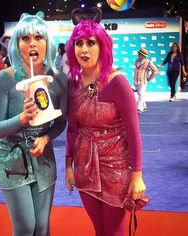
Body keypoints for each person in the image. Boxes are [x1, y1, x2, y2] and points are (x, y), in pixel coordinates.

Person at [65, 8, 146, 236]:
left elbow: (134, 133)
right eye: (79, 43)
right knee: (99, 230)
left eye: (91, 43)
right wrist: (68, 166)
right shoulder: (73, 83)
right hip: (84, 168)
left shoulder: (117, 83)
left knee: (114, 232)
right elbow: (72, 128)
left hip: (117, 169)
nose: (84, 49)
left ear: (102, 46)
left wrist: (137, 175)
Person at [0, 12, 67, 236]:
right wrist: (21, 118)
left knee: (42, 228)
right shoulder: (4, 79)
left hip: (43, 158)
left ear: (47, 42)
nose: (32, 42)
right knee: (25, 228)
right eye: (25, 38)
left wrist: (45, 138)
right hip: (11, 158)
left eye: (38, 37)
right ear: (17, 44)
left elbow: (61, 123)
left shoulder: (59, 79)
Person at [134, 48, 157, 114]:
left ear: (144, 55)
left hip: (143, 81)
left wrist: (150, 78)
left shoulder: (148, 62)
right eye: (138, 53)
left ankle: (139, 109)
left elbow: (155, 70)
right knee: (139, 94)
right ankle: (144, 107)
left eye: (140, 54)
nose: (138, 55)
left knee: (141, 95)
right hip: (136, 80)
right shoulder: (136, 61)